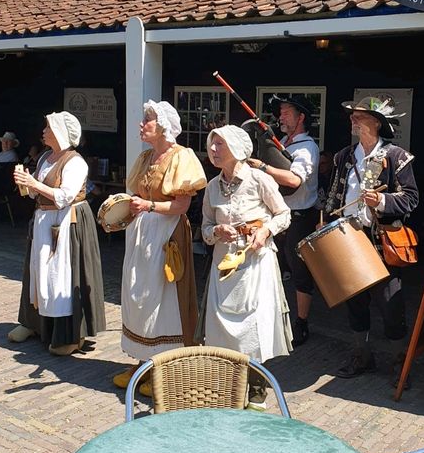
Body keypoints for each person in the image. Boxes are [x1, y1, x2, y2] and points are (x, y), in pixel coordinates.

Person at [112, 100, 207, 396]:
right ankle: (142, 363)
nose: (142, 124)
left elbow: (182, 205)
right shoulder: (145, 158)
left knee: (163, 298)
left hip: (167, 234)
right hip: (142, 232)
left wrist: (149, 205)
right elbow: (136, 195)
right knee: (137, 293)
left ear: (164, 125)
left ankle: (165, 368)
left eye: (148, 120)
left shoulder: (182, 157)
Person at [325, 96, 419, 383]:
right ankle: (362, 356)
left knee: (391, 304)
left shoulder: (396, 157)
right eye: (352, 116)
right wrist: (327, 225)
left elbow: (411, 199)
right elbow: (332, 199)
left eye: (360, 116)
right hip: (349, 239)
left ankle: (400, 362)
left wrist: (381, 200)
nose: (353, 119)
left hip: (381, 242)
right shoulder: (344, 157)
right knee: (355, 302)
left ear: (376, 123)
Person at [200, 125, 292, 409]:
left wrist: (265, 232)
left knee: (253, 326)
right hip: (223, 266)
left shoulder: (259, 179)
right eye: (211, 145)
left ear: (237, 149)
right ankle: (227, 387)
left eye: (220, 145)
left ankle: (256, 390)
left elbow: (284, 214)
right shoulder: (211, 187)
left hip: (255, 263)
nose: (214, 150)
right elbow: (203, 227)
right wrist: (217, 231)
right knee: (220, 329)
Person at [9, 112, 106, 355]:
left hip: (66, 223)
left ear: (61, 133)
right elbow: (35, 194)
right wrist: (26, 183)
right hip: (44, 220)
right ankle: (35, 324)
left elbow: (65, 196)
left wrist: (34, 184)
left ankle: (69, 335)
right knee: (38, 271)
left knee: (61, 275)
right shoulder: (44, 158)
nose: (43, 131)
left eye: (49, 127)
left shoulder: (75, 162)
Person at [247, 94, 319, 347]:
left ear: (301, 118)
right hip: (275, 216)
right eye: (281, 112)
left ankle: (301, 323)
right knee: (271, 266)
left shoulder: (307, 147)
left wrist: (262, 167)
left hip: (299, 218)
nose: (281, 116)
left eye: (287, 112)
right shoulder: (280, 144)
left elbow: (293, 181)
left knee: (299, 272)